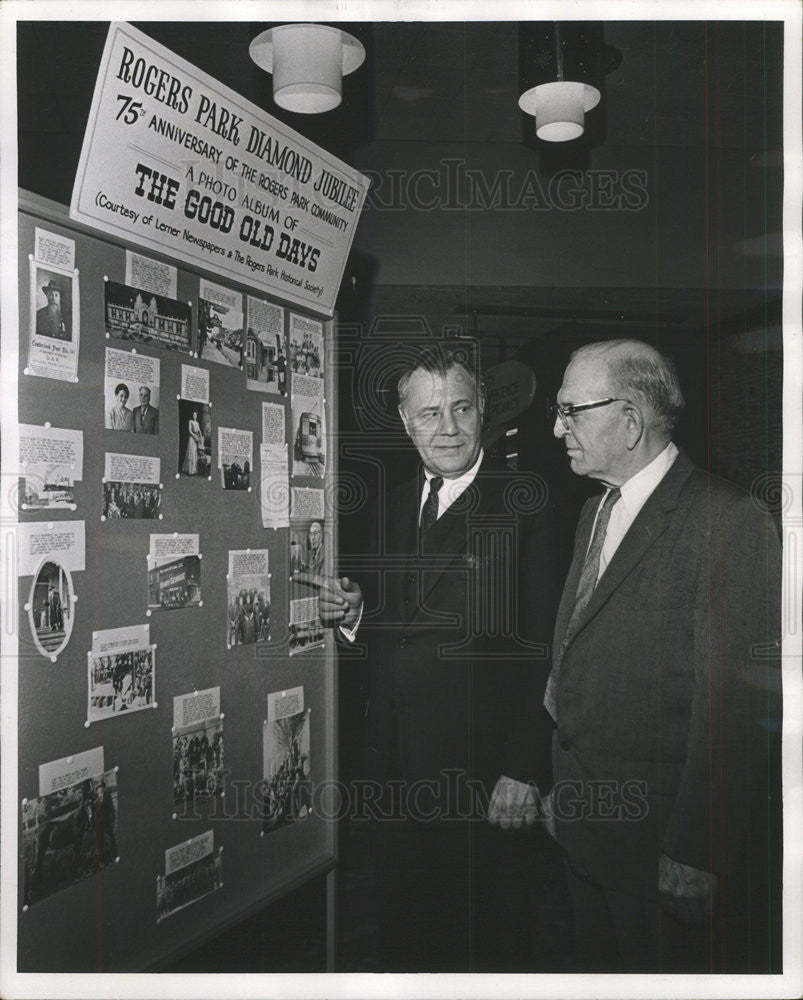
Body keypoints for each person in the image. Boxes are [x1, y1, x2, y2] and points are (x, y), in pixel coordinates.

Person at [295, 344, 568, 971]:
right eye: (429, 413)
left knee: (485, 951)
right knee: (406, 946)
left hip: (485, 781)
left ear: (483, 413)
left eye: (461, 408)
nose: (446, 428)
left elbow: (551, 652)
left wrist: (525, 769)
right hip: (394, 777)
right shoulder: (389, 504)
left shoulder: (532, 504)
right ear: (404, 421)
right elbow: (402, 629)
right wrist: (358, 614)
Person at [529, 339, 781, 972]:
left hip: (661, 851)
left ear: (631, 418)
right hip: (586, 833)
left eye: (571, 411)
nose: (557, 428)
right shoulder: (592, 512)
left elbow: (736, 703)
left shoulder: (728, 521)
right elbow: (579, 658)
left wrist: (699, 847)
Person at [181, 410, 203, 475]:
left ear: (197, 416)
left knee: (195, 452)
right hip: (192, 438)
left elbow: (199, 431)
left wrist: (201, 437)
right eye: (193, 415)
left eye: (195, 415)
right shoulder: (190, 421)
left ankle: (194, 470)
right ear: (192, 415)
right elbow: (190, 431)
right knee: (191, 452)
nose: (194, 416)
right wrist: (194, 436)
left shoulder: (197, 423)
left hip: (196, 439)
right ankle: (189, 470)